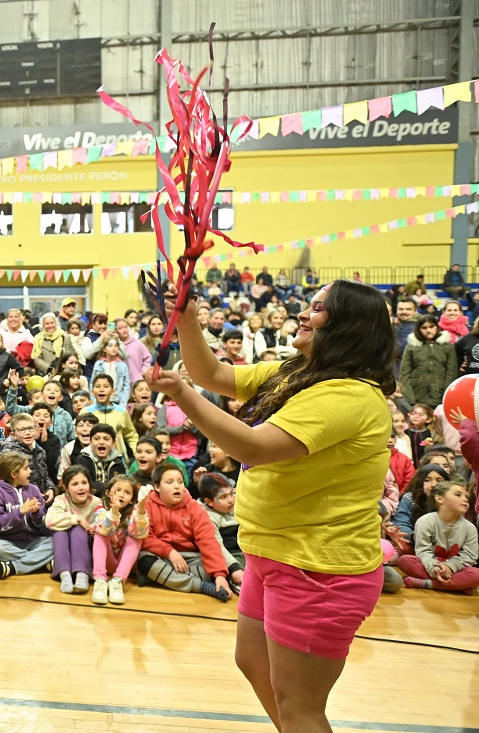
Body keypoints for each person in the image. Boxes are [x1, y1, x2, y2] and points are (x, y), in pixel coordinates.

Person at [145, 279, 396, 732]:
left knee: (300, 704)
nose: (303, 313)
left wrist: (181, 394)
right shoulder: (297, 371)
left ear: (349, 325)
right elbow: (215, 375)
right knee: (254, 663)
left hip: (320, 568)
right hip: (274, 553)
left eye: (318, 308)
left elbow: (254, 447)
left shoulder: (348, 395)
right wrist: (186, 321)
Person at [137, 462, 232, 601]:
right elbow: (145, 537)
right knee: (143, 560)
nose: (177, 486)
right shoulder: (147, 505)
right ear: (157, 486)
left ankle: (165, 578)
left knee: (215, 566)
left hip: (191, 559)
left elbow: (208, 540)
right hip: (163, 557)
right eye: (170, 482)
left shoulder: (194, 507)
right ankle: (202, 587)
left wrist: (219, 575)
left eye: (180, 482)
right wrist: (170, 552)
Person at [397, 479, 479, 592]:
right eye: (458, 495)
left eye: (466, 497)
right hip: (430, 565)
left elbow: (470, 556)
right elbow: (423, 551)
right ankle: (458, 586)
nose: (465, 499)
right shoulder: (425, 522)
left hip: (455, 568)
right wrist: (434, 568)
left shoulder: (470, 528)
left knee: (477, 574)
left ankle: (428, 583)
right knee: (405, 560)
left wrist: (450, 567)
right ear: (440, 499)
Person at [0, 451, 54, 578]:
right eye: (26, 468)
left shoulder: (33, 489)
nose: (30, 472)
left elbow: (41, 522)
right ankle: (40, 562)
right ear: (13, 474)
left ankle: (14, 567)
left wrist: (36, 513)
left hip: (34, 541)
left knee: (55, 543)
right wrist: (20, 511)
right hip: (9, 542)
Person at [91, 474, 149, 605]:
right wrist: (114, 510)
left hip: (126, 564)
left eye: (127, 492)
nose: (122, 495)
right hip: (107, 560)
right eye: (118, 490)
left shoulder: (134, 509)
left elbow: (141, 533)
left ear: (132, 499)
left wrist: (141, 511)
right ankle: (100, 581)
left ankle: (117, 581)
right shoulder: (100, 507)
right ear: (108, 492)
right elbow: (106, 530)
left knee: (137, 537)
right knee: (101, 532)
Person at [45, 466, 102, 594]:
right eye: (75, 484)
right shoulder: (61, 500)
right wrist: (78, 519)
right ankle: (64, 574)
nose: (81, 487)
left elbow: (102, 524)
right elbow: (49, 520)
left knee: (77, 530)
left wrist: (91, 527)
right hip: (65, 547)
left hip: (86, 548)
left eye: (84, 483)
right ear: (66, 488)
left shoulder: (96, 502)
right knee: (60, 531)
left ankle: (82, 574)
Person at [399, 315, 456, 407]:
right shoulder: (412, 347)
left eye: (431, 327)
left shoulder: (447, 346)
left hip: (439, 397)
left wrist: (446, 397)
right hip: (417, 397)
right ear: (419, 329)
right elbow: (404, 374)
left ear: (437, 327)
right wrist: (410, 398)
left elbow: (451, 373)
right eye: (424, 328)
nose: (428, 330)